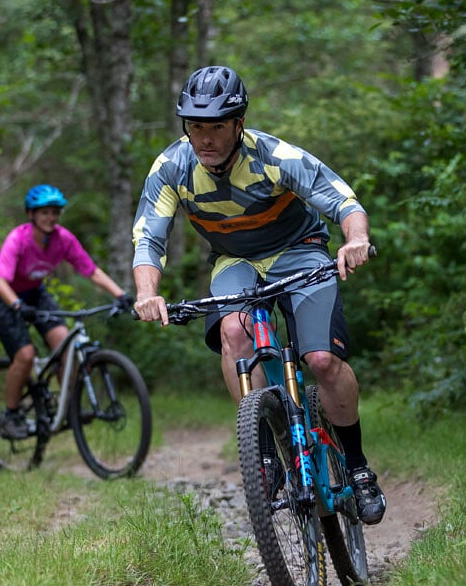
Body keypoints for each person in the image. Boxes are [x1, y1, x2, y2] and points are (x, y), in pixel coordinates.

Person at [130, 65, 386, 525]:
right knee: (233, 332)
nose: (204, 139)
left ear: (239, 124)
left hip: (300, 252)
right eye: (195, 127)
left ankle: (358, 466)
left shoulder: (274, 156)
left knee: (322, 361)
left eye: (215, 127)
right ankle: (266, 451)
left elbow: (343, 200)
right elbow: (149, 236)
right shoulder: (172, 167)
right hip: (236, 261)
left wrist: (355, 240)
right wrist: (147, 292)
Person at [0, 184, 134, 439]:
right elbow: (1, 282)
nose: (51, 218)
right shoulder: (18, 239)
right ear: (31, 214)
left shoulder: (63, 239)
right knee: (25, 355)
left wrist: (120, 294)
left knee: (65, 344)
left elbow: (91, 270)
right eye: (44, 212)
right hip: (5, 298)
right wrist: (18, 306)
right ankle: (10, 414)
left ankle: (69, 407)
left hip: (36, 294)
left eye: (55, 212)